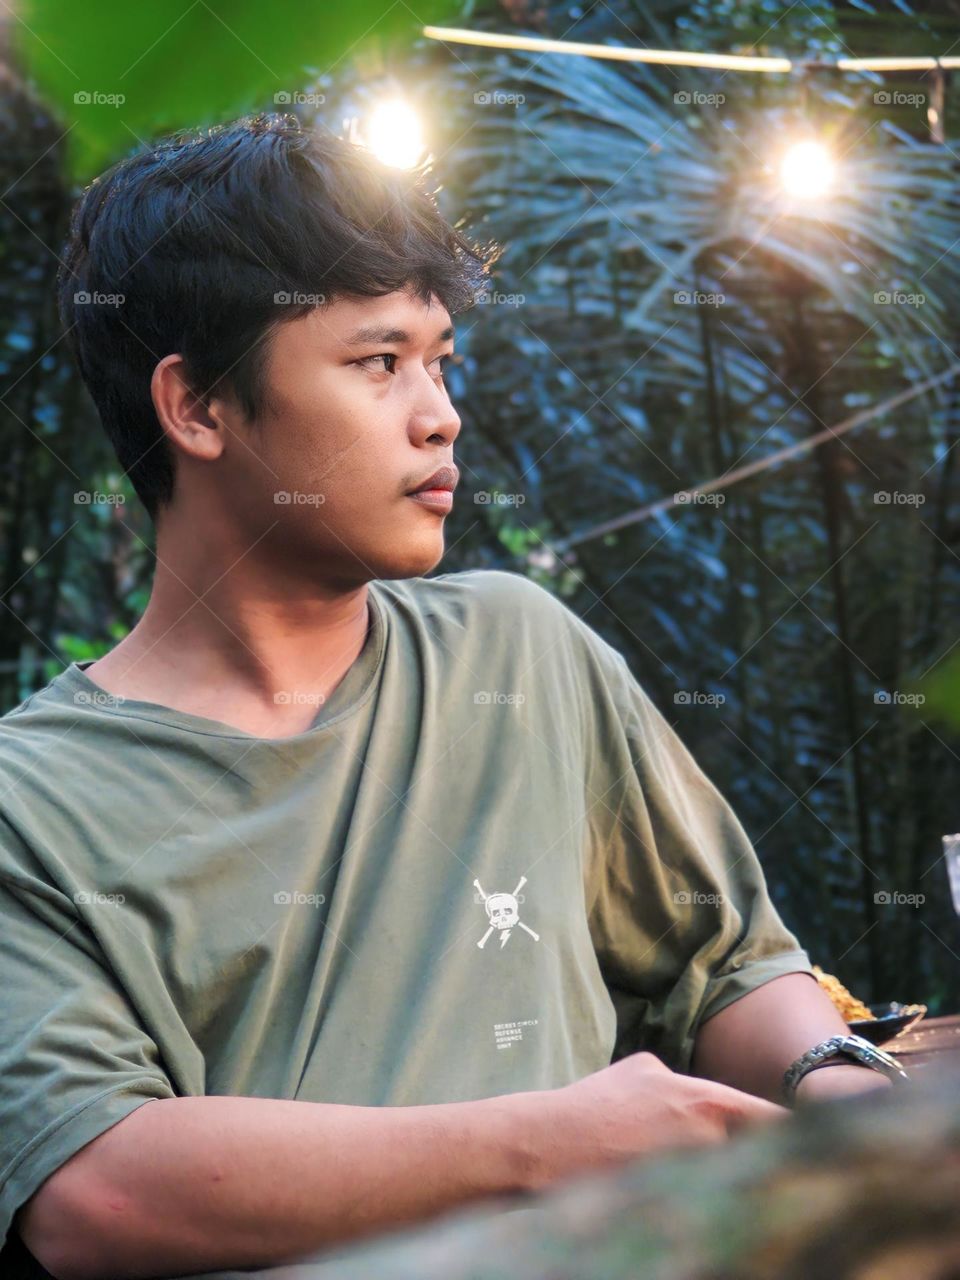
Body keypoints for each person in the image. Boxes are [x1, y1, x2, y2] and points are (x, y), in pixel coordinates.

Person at [0, 113, 893, 1280]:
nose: (440, 413)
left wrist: (835, 1083)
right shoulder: (32, 798)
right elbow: (94, 1184)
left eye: (441, 358)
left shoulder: (523, 653)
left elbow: (725, 961)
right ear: (198, 408)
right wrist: (551, 1143)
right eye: (379, 361)